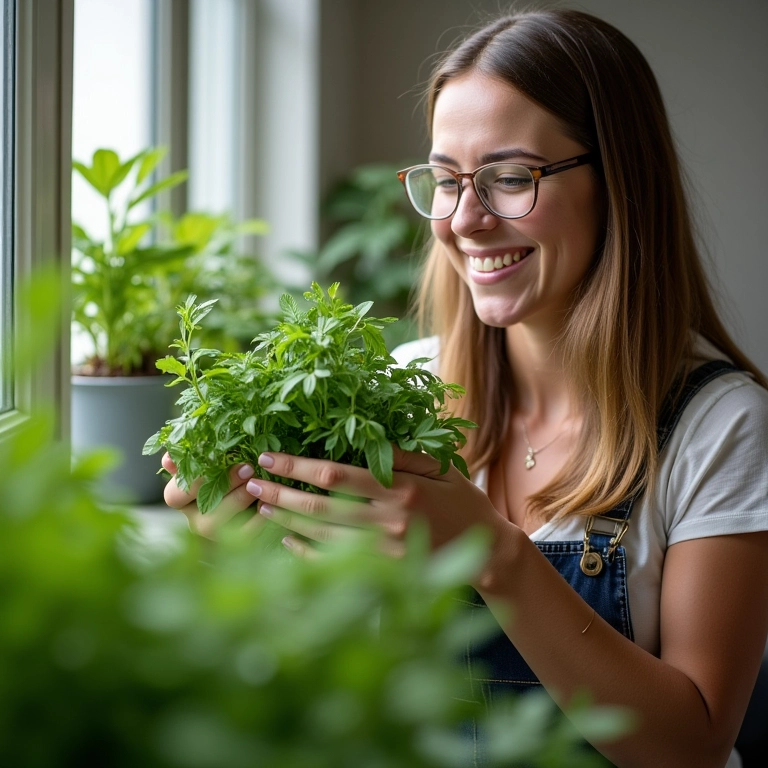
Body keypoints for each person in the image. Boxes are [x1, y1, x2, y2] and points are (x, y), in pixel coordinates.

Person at [162, 8, 768, 767]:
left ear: (618, 181)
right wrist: (243, 558)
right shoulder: (400, 387)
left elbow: (692, 742)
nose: (465, 220)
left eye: (510, 178)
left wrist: (494, 555)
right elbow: (327, 685)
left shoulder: (720, 425)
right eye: (445, 181)